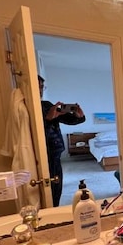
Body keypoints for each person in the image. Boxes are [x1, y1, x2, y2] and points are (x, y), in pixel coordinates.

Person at [39, 75, 86, 206]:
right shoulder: (30, 109)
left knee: (56, 188)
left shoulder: (47, 105)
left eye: (42, 87)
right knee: (48, 191)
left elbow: (71, 120)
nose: (40, 90)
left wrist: (78, 116)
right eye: (37, 87)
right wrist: (48, 119)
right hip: (42, 155)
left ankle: (54, 208)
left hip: (55, 154)